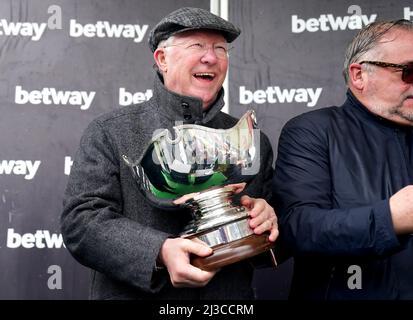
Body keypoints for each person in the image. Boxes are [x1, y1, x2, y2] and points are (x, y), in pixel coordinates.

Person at [61, 7, 278, 300]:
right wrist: (160, 251)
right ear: (162, 59)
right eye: (197, 46)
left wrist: (268, 221)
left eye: (220, 48)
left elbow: (277, 245)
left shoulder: (252, 141)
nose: (211, 57)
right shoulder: (110, 131)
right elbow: (81, 222)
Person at [272, 19, 413, 299]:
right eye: (408, 72)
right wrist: (389, 218)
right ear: (359, 75)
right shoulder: (313, 131)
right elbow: (297, 228)